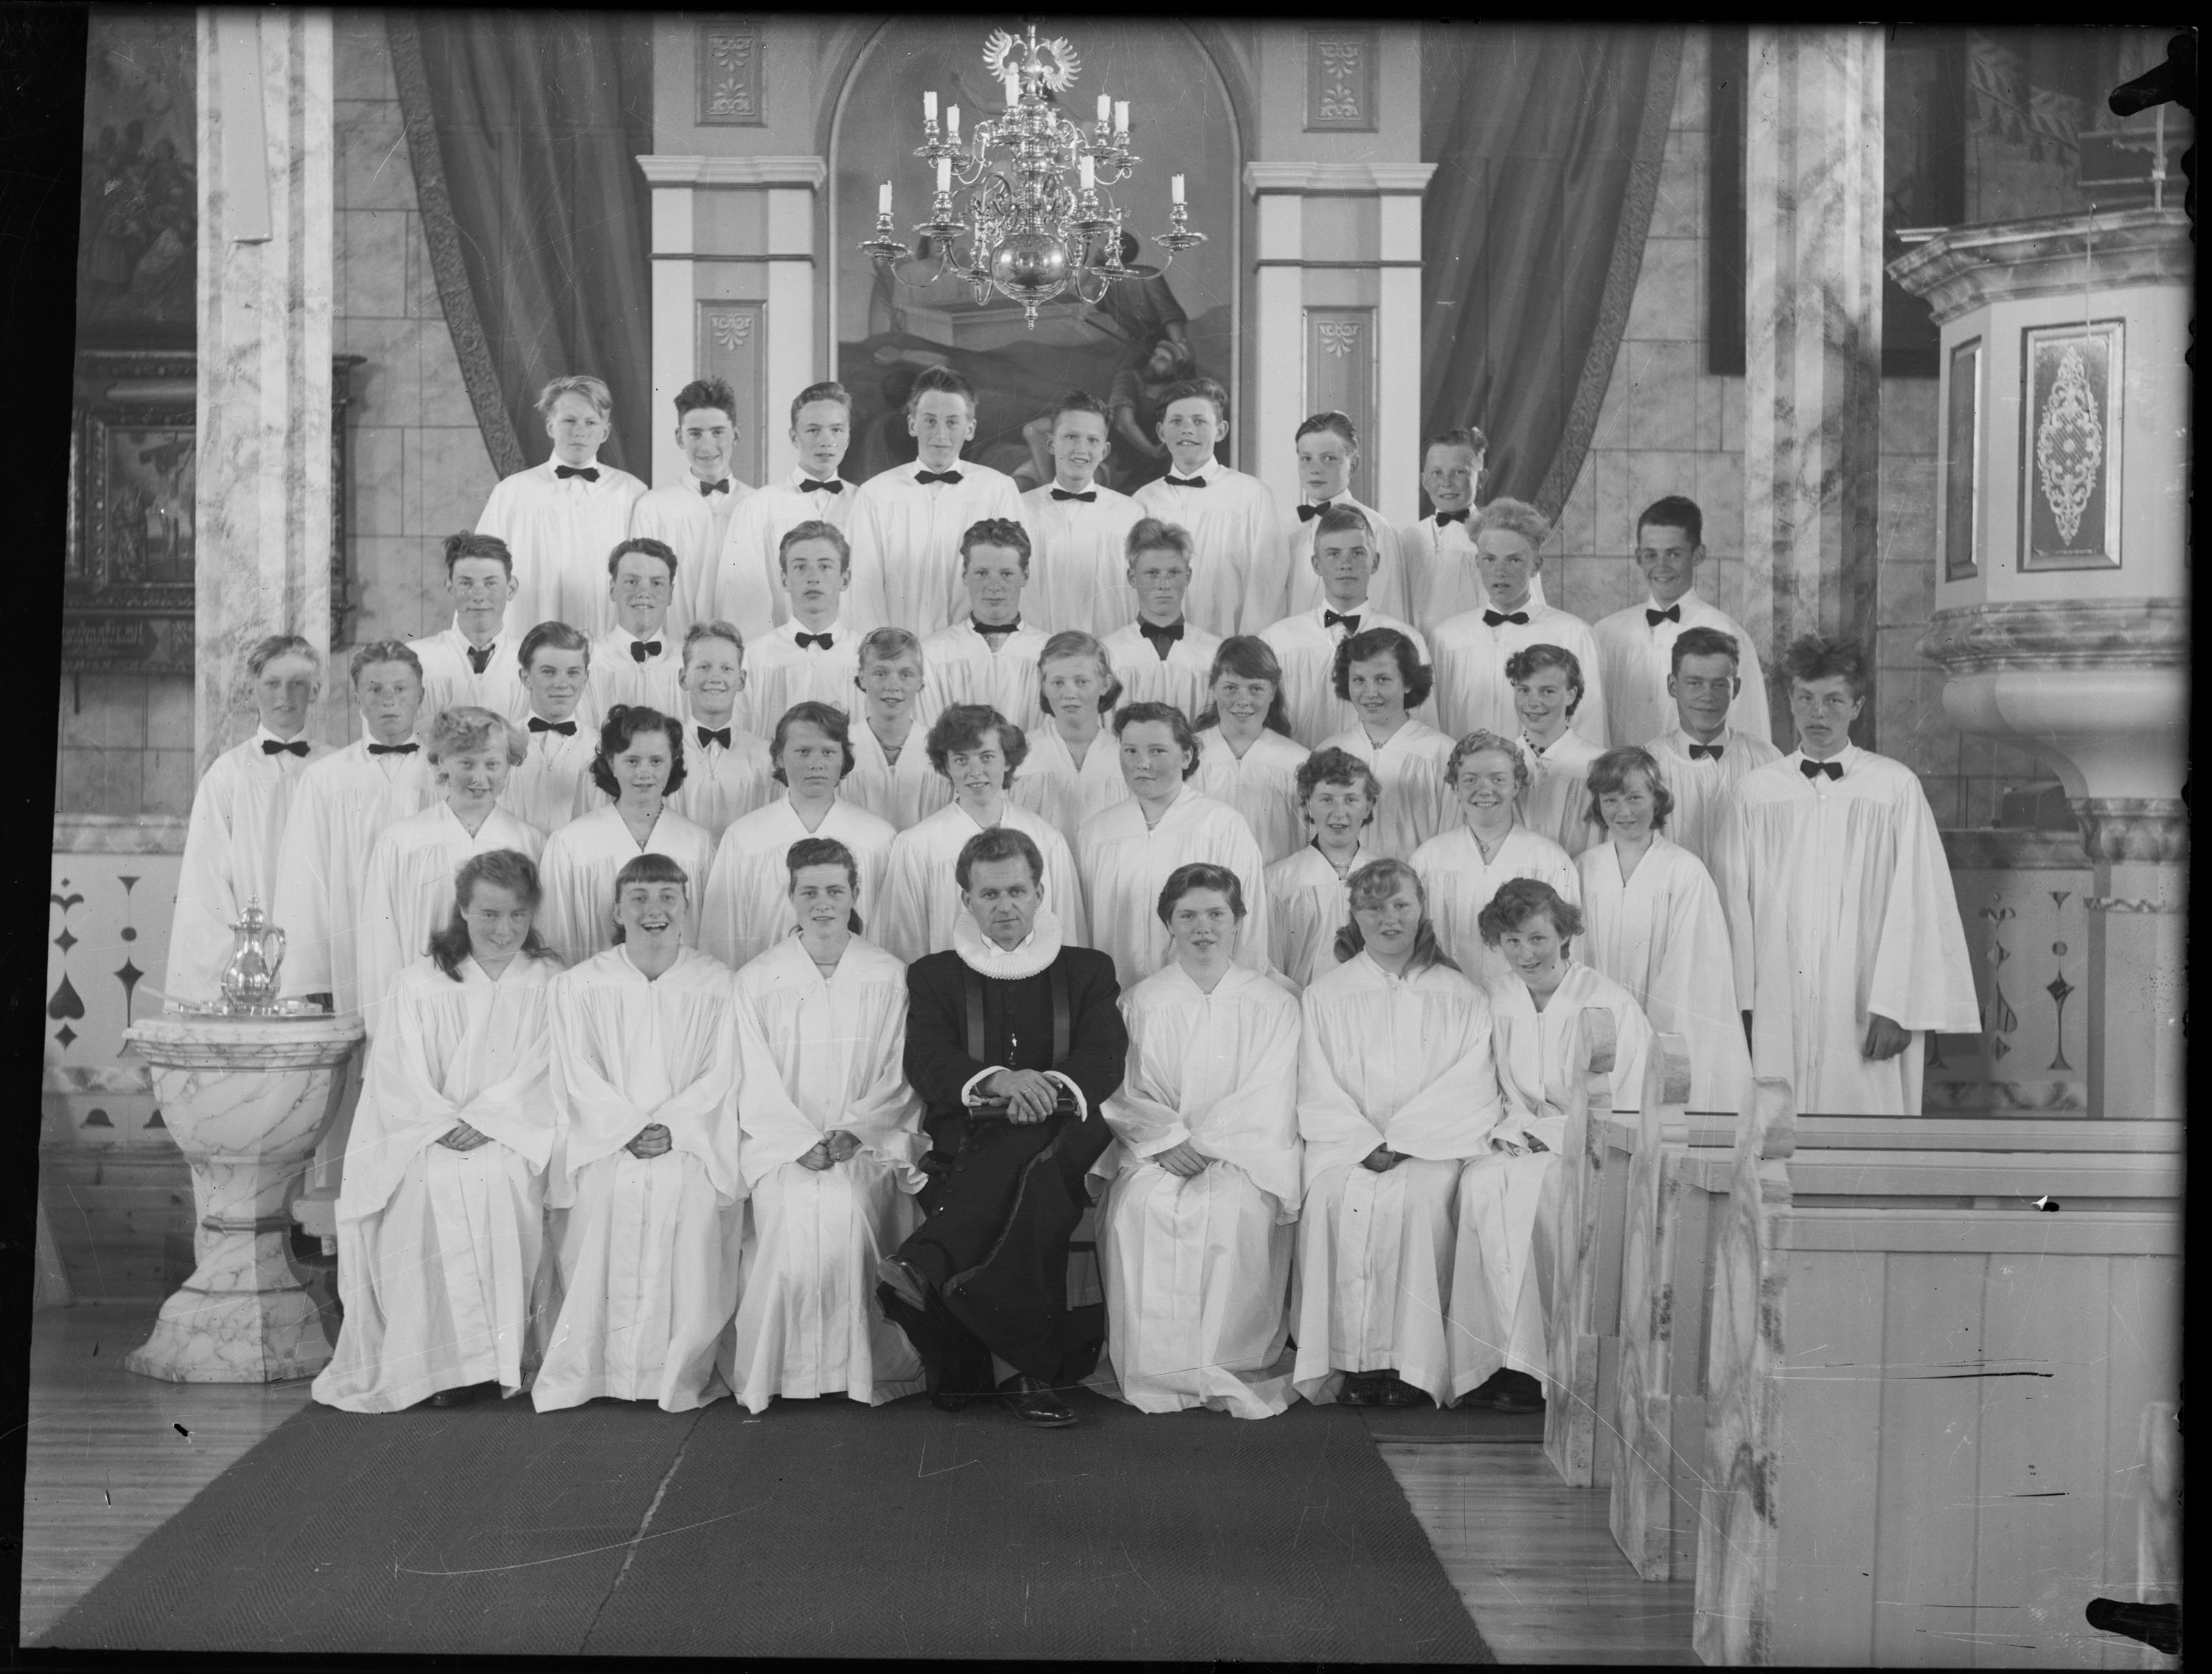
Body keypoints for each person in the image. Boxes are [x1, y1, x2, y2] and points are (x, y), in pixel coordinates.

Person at [876, 827, 1128, 1426]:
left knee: (1031, 1157)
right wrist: (997, 1082)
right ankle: (1024, 1373)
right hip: (971, 1130)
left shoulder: (1089, 969)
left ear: (1041, 891)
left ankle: (930, 1261)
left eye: (1017, 891)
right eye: (989, 895)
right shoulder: (934, 974)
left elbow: (1103, 1055)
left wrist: (1048, 1091)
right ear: (966, 900)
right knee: (1028, 1183)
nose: (1005, 906)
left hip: (1069, 1133)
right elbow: (929, 1059)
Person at [311, 850, 562, 1413]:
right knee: (425, 1189)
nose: (504, 929)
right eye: (490, 915)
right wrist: (446, 1123)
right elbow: (398, 1075)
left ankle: (505, 1361)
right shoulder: (420, 982)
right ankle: (439, 1366)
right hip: (429, 1136)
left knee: (502, 1181)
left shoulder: (550, 982)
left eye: (517, 915)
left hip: (515, 1138)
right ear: (463, 911)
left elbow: (549, 1068)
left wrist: (491, 1121)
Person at [1715, 636, 1977, 1114]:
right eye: (1806, 699)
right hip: (1776, 997)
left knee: (1864, 1120)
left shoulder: (1893, 787)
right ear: (1789, 702)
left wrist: (1899, 1007)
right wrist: (1741, 1010)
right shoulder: (1755, 793)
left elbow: (1920, 902)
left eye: (1834, 700)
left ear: (1857, 705)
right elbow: (1735, 906)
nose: (1819, 714)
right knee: (1774, 1123)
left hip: (1865, 1003)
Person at [722, 838, 929, 1413]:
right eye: (809, 891)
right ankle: (782, 1375)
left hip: (862, 1148)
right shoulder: (758, 979)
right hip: (783, 1151)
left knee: (848, 1216)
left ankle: (865, 1373)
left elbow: (898, 1073)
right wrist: (795, 1143)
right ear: (790, 896)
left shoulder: (888, 975)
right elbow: (750, 1074)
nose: (822, 903)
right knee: (787, 1227)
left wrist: (855, 1133)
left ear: (854, 894)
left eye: (835, 890)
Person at [532, 854, 742, 1412]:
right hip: (605, 1143)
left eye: (668, 897)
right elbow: (574, 1073)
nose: (655, 910)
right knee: (604, 1197)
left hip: (690, 1143)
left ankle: (673, 1371)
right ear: (616, 910)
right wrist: (626, 1129)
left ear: (687, 907)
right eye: (640, 898)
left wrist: (672, 1129)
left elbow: (722, 1075)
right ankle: (598, 1372)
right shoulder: (581, 985)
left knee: (690, 1196)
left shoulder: (718, 984)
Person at [1292, 859, 1505, 1409]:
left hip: (1430, 1149)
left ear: (1421, 909)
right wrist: (1364, 1144)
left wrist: (1405, 1141)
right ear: (1354, 916)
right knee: (1334, 1201)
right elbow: (1315, 1081)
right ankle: (1353, 1365)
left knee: (1418, 1204)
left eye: (1400, 905)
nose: (1388, 918)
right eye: (1373, 907)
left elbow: (1470, 1084)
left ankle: (1411, 1368)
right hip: (1349, 1148)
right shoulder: (1326, 994)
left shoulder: (1461, 995)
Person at [1096, 864, 1301, 1418]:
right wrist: (1165, 1139)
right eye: (1187, 915)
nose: (1203, 927)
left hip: (1243, 1155)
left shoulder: (1273, 1002)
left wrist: (1209, 1146)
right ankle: (1155, 1370)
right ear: (1169, 922)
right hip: (1159, 1151)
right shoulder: (1142, 1002)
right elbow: (1125, 1087)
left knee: (1231, 1208)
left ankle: (1225, 1365)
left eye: (1216, 914)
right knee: (1142, 1206)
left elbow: (1272, 1091)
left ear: (1239, 921)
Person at [1450, 878, 1653, 1414]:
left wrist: (1548, 1135)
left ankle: (1545, 1366)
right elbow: (1482, 1083)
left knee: (1542, 1193)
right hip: (1511, 1139)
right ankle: (1493, 1362)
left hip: (1582, 1148)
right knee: (1480, 1184)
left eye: (1538, 939)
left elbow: (1626, 1098)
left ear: (1564, 934)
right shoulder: (1496, 997)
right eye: (1512, 942)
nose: (1526, 954)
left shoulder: (1607, 1002)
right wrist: (1511, 1132)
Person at [1575, 748, 1751, 1113]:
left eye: (1635, 798)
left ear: (1657, 799)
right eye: (1611, 800)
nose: (1624, 812)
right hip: (1600, 1032)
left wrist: (1644, 1037)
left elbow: (1691, 972)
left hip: (1661, 1033)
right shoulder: (1582, 869)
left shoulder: (1685, 872)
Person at [355, 706, 546, 1038]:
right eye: (466, 763)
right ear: (442, 762)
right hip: (425, 1011)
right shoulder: (402, 842)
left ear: (508, 765)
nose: (480, 778)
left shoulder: (529, 841)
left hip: (508, 1017)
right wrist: (386, 1033)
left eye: (492, 764)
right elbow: (380, 946)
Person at [168, 634, 333, 1007]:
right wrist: (244, 952)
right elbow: (205, 878)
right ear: (252, 689)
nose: (284, 696)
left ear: (316, 690)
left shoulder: (338, 769)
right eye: (272, 684)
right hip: (254, 954)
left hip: (324, 952)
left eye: (297, 685)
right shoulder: (228, 774)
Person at [274, 642, 437, 1015]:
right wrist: (312, 979)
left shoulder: (444, 773)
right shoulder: (326, 778)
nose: (388, 700)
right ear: (359, 700)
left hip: (427, 937)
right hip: (353, 944)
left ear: (421, 695)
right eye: (375, 689)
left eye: (400, 689)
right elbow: (304, 881)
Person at [1075, 702, 1272, 990]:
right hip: (1112, 998)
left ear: (1186, 755)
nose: (1142, 763)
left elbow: (1248, 933)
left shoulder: (1221, 826)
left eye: (1157, 750)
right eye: (1131, 751)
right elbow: (1082, 932)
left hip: (1200, 998)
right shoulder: (1097, 833)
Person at [876, 704, 1088, 962]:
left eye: (986, 757)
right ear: (946, 765)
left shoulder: (1047, 839)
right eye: (961, 759)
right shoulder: (917, 845)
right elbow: (904, 945)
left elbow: (1067, 936)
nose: (975, 772)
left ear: (1008, 760)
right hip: (951, 996)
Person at [699, 701, 897, 970]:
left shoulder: (877, 838)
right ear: (779, 757)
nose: (816, 763)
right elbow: (719, 942)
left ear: (843, 757)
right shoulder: (745, 838)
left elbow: (890, 938)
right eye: (803, 752)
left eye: (828, 752)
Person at [847, 365, 1029, 638]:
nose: (940, 434)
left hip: (975, 651)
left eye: (952, 422)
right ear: (912, 424)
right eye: (930, 421)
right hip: (898, 653)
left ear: (970, 428)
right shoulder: (875, 494)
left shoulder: (997, 490)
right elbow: (861, 587)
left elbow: (1015, 577)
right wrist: (885, 652)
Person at [535, 706, 715, 968]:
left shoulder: (697, 843)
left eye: (656, 761)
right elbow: (556, 939)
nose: (644, 772)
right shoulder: (571, 843)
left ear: (672, 762)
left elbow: (708, 940)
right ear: (611, 762)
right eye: (632, 761)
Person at [1591, 496, 1770, 748]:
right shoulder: (1606, 633)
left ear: (1698, 556)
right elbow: (1592, 724)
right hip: (1623, 782)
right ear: (1638, 557)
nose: (1661, 567)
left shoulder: (1727, 633)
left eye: (1674, 554)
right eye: (1651, 555)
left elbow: (1751, 730)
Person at [476, 375, 647, 636]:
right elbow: (481, 570)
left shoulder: (631, 493)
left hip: (605, 636)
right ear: (550, 426)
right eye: (569, 420)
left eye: (590, 422)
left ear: (605, 431)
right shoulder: (513, 492)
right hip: (529, 630)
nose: (579, 431)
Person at [1430, 498, 1607, 748]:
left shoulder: (1574, 634)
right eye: (1490, 559)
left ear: (1535, 565)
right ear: (1477, 563)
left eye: (1514, 560)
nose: (1500, 571)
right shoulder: (1446, 638)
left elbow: (1590, 729)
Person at [1410, 730, 1580, 983]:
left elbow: (1569, 953)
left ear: (1517, 785)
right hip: (1448, 1000)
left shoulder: (1548, 860)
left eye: (1498, 779)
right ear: (1455, 787)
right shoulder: (1428, 859)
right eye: (1470, 780)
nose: (1484, 790)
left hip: (1523, 1003)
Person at [1260, 507, 1430, 747]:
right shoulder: (1278, 641)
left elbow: (1422, 730)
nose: (1346, 564)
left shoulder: (1407, 639)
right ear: (1316, 564)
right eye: (1334, 554)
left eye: (1358, 553)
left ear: (1375, 562)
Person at [1130, 377, 1283, 636]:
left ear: (1221, 430)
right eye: (1176, 421)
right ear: (1161, 432)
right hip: (1156, 649)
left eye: (1199, 421)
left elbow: (1267, 587)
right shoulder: (1142, 501)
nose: (1187, 430)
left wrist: (1246, 654)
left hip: (1229, 651)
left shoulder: (1251, 495)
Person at [709, 381, 858, 642]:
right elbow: (744, 603)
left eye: (836, 430)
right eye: (813, 430)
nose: (826, 441)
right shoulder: (759, 507)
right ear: (793, 436)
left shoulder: (865, 504)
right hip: (779, 658)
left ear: (848, 435)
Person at [1643, 626, 1784, 868]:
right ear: (1673, 686)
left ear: (1736, 688)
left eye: (1719, 685)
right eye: (1695, 684)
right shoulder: (1646, 763)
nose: (1707, 696)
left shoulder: (1766, 759)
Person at [630, 377, 753, 641]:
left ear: (737, 434)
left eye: (718, 432)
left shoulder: (757, 505)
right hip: (675, 650)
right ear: (679, 437)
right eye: (695, 434)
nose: (707, 446)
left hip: (745, 651)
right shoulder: (654, 507)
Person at [1316, 628, 1455, 860]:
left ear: (1408, 682)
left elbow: (1451, 840)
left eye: (1382, 679)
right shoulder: (1329, 751)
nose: (1370, 693)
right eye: (1359, 680)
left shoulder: (1440, 752)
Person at [1019, 391, 1143, 635]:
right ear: (1050, 444)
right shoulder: (1020, 509)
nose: (1081, 449)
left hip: (1106, 649)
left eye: (1092, 440)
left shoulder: (1131, 513)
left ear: (1105, 451)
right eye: (1071, 437)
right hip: (1036, 650)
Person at [1264, 748, 1380, 990]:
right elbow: (1269, 967)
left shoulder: (1387, 878)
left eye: (1351, 799)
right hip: (1301, 1010)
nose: (1339, 812)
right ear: (1308, 805)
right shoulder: (1279, 880)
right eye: (1327, 799)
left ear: (1368, 807)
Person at [919, 518, 1050, 726]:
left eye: (1006, 574)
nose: (994, 586)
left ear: (1025, 576)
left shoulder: (1049, 653)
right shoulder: (933, 654)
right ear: (964, 575)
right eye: (982, 573)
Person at [1191, 637, 1310, 864]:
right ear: (1213, 688)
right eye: (1231, 688)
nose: (1243, 701)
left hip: (1274, 891)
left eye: (1256, 689)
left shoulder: (1298, 762)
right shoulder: (1186, 756)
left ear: (1273, 692)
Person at [1282, 412, 1409, 622]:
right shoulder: (1287, 530)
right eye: (1306, 459)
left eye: (1329, 459)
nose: (1315, 469)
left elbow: (1388, 610)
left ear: (1354, 465)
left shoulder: (1377, 530)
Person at [737, 521, 860, 734]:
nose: (813, 578)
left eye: (825, 566)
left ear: (844, 579)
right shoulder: (755, 657)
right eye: (800, 567)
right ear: (784, 580)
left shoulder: (864, 657)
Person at [1098, 518, 1222, 720]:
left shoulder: (1215, 652)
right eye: (1152, 573)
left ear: (1188, 576)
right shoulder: (1107, 653)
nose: (1164, 584)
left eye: (1174, 573)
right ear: (1132, 578)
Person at [1009, 631, 1131, 834]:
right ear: (1043, 686)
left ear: (1105, 684)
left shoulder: (1125, 756)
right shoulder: (1020, 756)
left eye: (1081, 682)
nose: (1069, 693)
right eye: (1058, 683)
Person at [665, 622, 775, 842]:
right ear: (683, 678)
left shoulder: (765, 756)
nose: (715, 677)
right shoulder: (663, 754)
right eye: (704, 667)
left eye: (726, 668)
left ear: (742, 679)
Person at [408, 532, 530, 726]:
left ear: (511, 588)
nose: (479, 596)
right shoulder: (418, 659)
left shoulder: (530, 661)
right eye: (466, 583)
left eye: (491, 583)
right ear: (450, 588)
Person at [841, 627, 952, 831]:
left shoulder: (942, 746)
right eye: (880, 673)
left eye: (906, 674)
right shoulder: (841, 745)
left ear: (920, 681)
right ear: (863, 677)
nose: (893, 685)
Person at [501, 622, 603, 834]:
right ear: (525, 678)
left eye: (573, 673)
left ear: (586, 678)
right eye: (549, 672)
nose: (561, 683)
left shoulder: (603, 748)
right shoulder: (499, 743)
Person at [1507, 645, 1606, 858]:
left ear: (1571, 695)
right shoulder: (1500, 762)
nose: (1533, 702)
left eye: (1547, 691)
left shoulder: (1598, 764)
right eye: (1524, 690)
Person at [1399, 427, 1489, 635]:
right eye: (1437, 473)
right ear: (1424, 480)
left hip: (1476, 652)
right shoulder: (1409, 538)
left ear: (1481, 479)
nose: (1446, 483)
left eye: (1459, 472)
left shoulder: (1498, 537)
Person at [585, 538, 686, 718]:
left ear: (670, 594)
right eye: (632, 582)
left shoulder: (688, 662)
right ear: (612, 589)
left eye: (656, 583)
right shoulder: (589, 660)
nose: (644, 593)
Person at [1105, 335, 1193, 496]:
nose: (1153, 361)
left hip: (1155, 468)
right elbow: (1124, 423)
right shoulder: (1128, 378)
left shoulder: (1176, 393)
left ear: (1173, 370)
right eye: (1155, 355)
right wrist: (1153, 451)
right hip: (1118, 461)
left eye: (1162, 360)